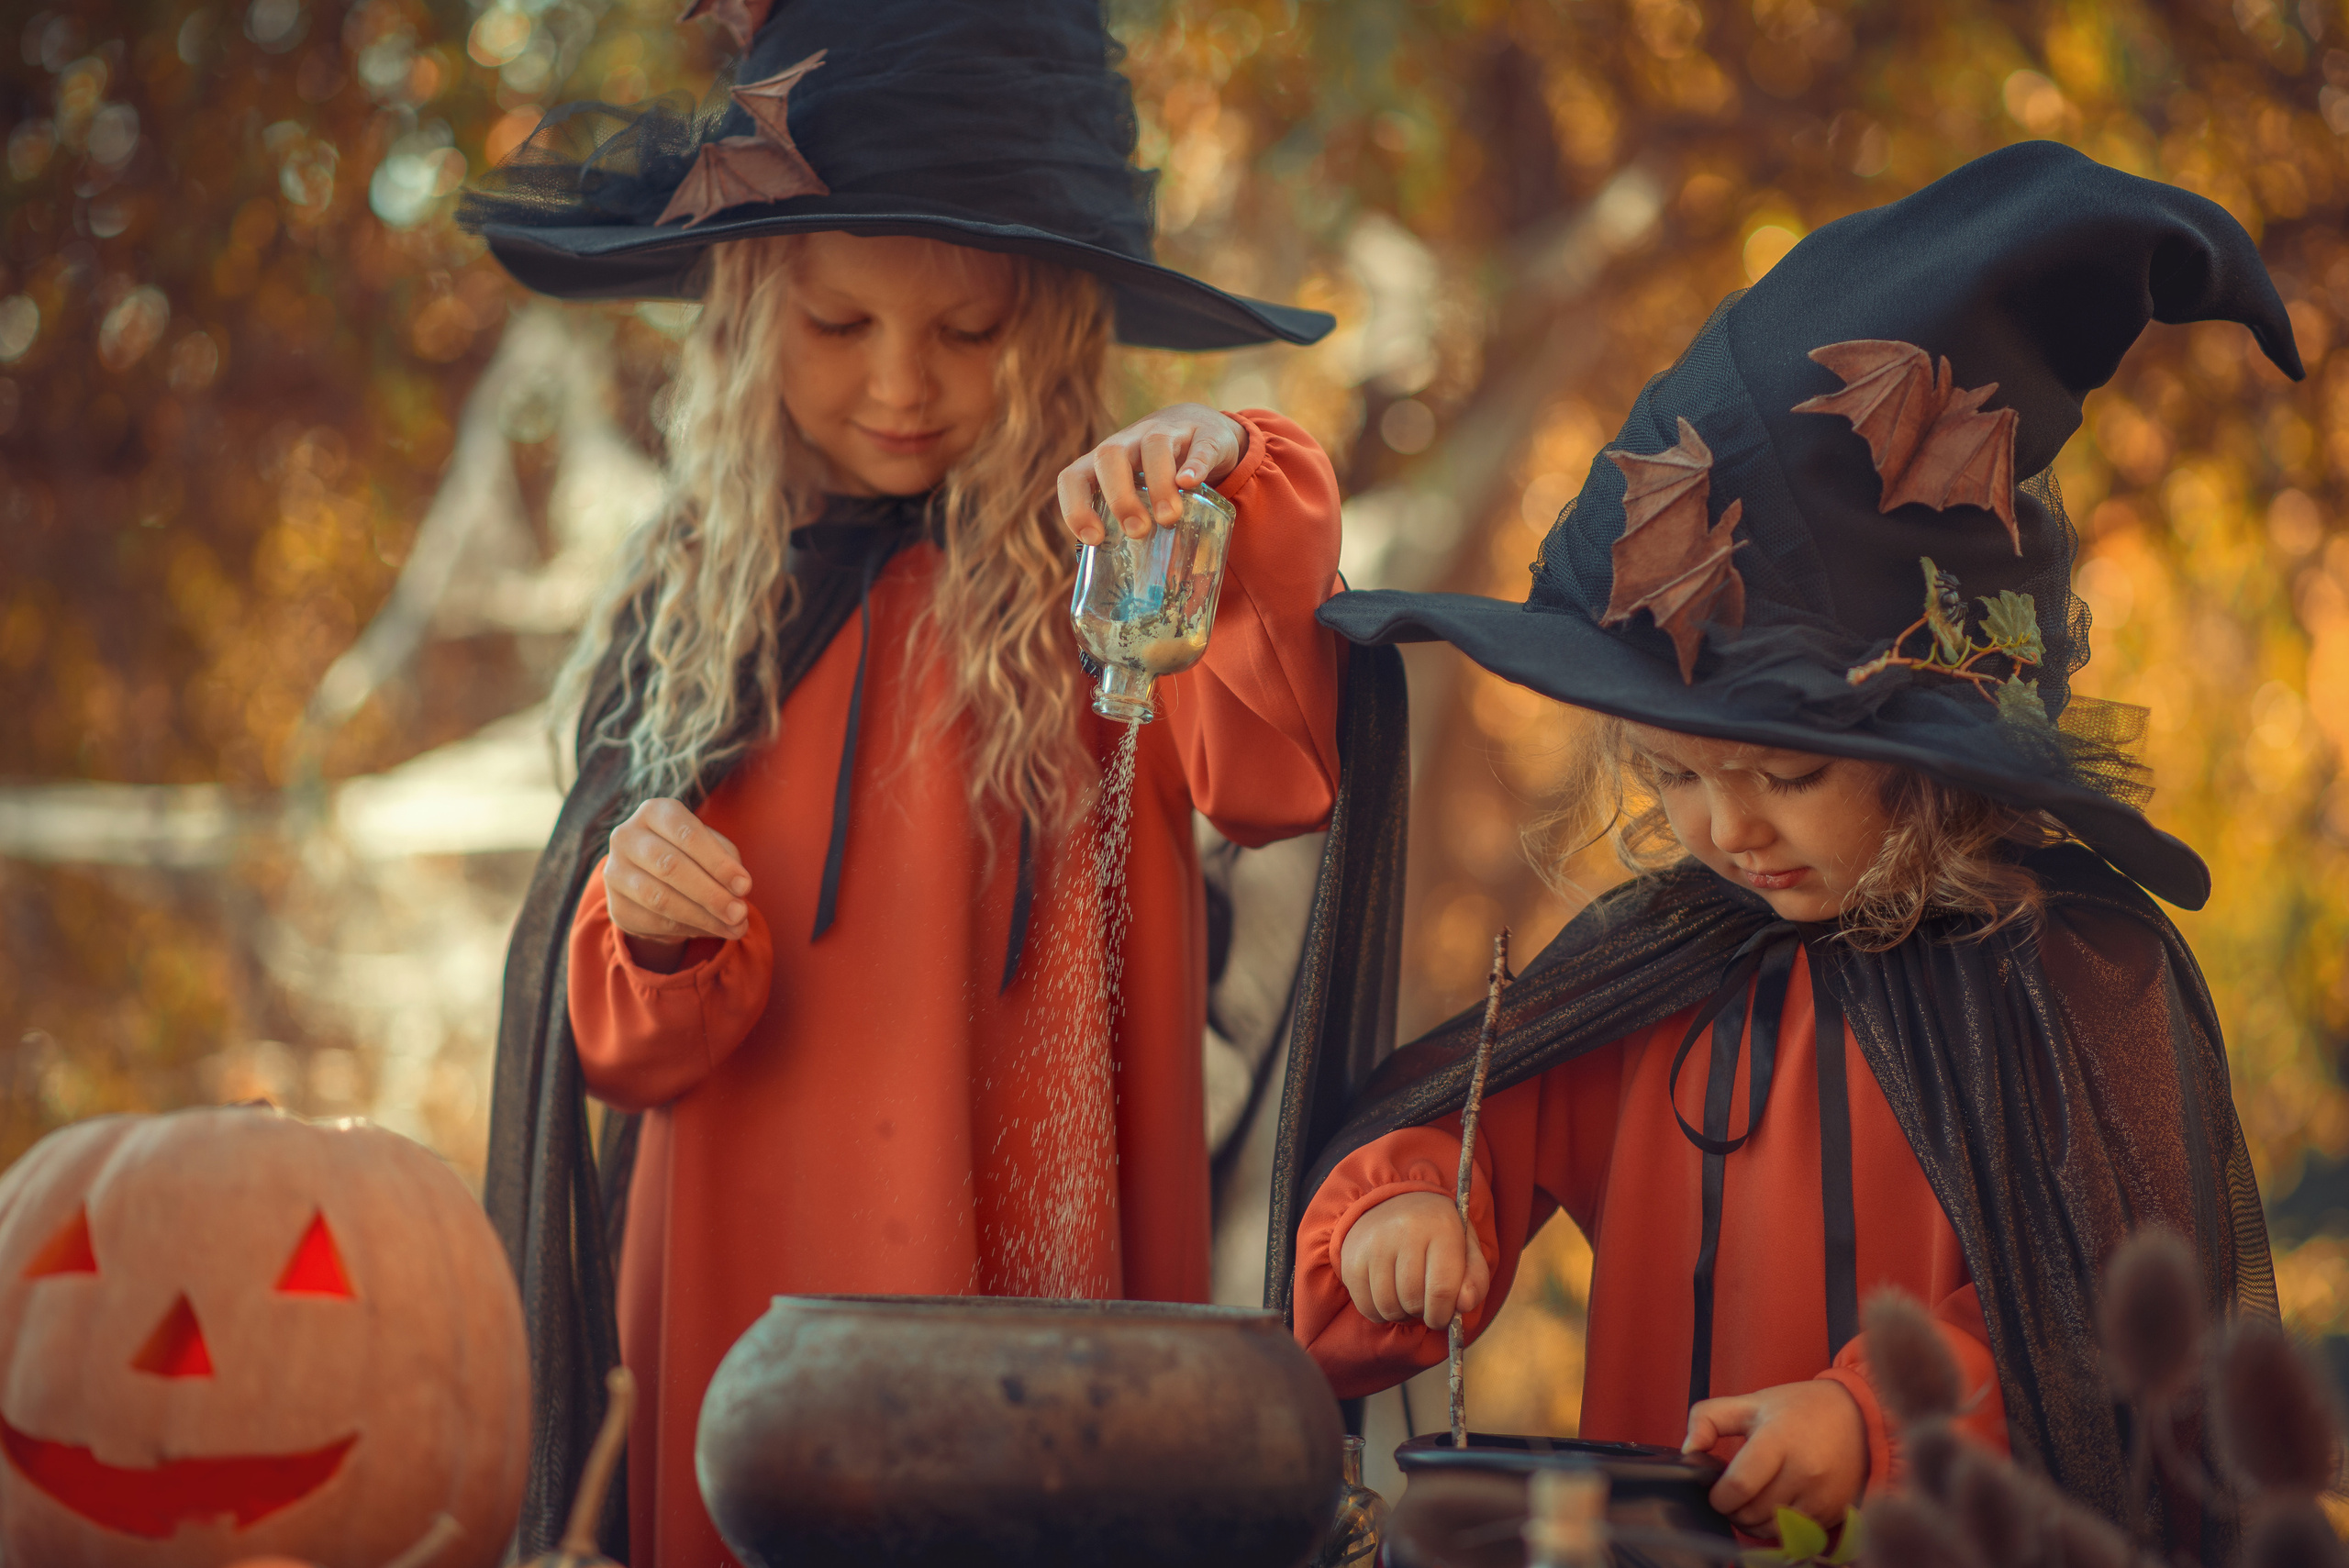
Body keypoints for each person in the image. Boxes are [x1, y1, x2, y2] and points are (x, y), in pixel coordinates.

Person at [1272, 142, 2297, 1550]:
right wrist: (1409, 1212)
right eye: (1678, 772)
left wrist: (1872, 1420)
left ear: (1933, 764)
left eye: (1791, 772)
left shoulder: (2075, 977)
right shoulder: (1662, 974)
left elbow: (2112, 1323)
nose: (1725, 825)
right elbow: (1470, 1135)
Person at [460, 2, 1347, 1560]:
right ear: (746, 318)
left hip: (1036, 1299)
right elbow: (617, 1046)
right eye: (838, 323)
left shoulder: (1121, 583)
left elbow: (1271, 766)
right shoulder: (695, 616)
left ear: (1061, 324)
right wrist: (652, 930)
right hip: (749, 1294)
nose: (903, 383)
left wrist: (1228, 467)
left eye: (970, 329)